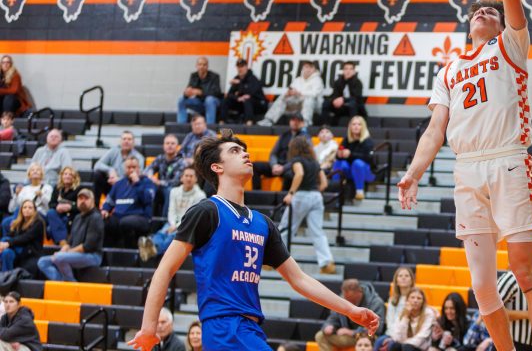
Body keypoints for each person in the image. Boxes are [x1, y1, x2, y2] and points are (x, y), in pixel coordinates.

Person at [397, 0, 532, 351]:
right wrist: (414, 171)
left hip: (507, 160)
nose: (485, 10)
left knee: (525, 272)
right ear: (468, 25)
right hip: (465, 169)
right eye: (478, 10)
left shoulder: (511, 45)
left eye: (492, 10)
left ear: (503, 23)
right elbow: (434, 130)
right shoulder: (449, 69)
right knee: (482, 286)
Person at [127, 130, 379, 351]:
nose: (245, 154)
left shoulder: (262, 223)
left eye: (244, 150)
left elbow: (299, 279)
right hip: (224, 326)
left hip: (251, 327)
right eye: (235, 151)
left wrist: (350, 310)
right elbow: (165, 269)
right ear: (217, 167)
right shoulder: (206, 211)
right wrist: (149, 328)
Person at [279, 137, 335, 274]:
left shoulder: (297, 160)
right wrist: (314, 192)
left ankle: (272, 260)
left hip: (300, 196)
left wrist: (291, 193)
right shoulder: (315, 162)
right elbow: (324, 183)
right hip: (316, 196)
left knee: (285, 228)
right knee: (318, 232)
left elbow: (299, 174)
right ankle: (327, 264)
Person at [139, 167, 206, 261]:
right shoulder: (174, 191)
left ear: (196, 179)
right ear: (181, 178)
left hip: (189, 225)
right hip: (173, 222)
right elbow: (171, 211)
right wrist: (173, 224)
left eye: (191, 176)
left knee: (171, 236)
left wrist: (176, 226)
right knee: (162, 232)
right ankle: (152, 246)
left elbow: (192, 216)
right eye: (186, 176)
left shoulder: (200, 195)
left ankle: (152, 248)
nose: (188, 178)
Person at [37, 188, 103, 282]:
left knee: (60, 258)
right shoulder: (77, 218)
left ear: (92, 201)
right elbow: (70, 242)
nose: (83, 201)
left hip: (92, 256)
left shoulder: (96, 217)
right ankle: (62, 283)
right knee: (42, 262)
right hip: (75, 254)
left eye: (86, 198)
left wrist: (66, 253)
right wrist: (64, 249)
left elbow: (88, 246)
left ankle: (71, 283)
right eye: (80, 199)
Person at [315, 279, 386, 351]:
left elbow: (377, 329)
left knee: (364, 343)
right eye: (346, 298)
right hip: (348, 336)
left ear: (359, 292)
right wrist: (329, 325)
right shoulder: (343, 298)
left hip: (367, 336)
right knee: (321, 335)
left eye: (351, 299)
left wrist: (352, 332)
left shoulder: (376, 303)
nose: (348, 301)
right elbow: (333, 317)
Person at [100, 156, 154, 248]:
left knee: (125, 222)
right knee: (102, 221)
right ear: (124, 169)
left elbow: (148, 200)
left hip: (141, 217)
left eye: (134, 167)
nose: (131, 170)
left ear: (139, 168)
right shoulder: (119, 183)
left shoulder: (147, 182)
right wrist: (105, 209)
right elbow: (109, 200)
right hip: (118, 217)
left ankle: (129, 257)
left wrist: (137, 183)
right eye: (129, 167)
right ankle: (106, 257)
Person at [252, 113, 309, 190]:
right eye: (293, 120)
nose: (295, 122)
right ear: (290, 122)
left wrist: (284, 168)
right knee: (255, 166)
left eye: (298, 120)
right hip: (277, 165)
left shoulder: (305, 138)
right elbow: (273, 153)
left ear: (302, 123)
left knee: (289, 175)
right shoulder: (284, 135)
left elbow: (300, 158)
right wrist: (274, 165)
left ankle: (283, 199)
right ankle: (257, 194)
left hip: (290, 167)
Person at [258, 60, 324, 126]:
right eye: (306, 67)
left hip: (314, 106)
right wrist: (288, 94)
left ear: (314, 69)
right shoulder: (298, 80)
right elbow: (291, 90)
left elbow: (315, 94)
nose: (308, 69)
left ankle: (306, 122)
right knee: (282, 97)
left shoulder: (317, 80)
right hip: (297, 105)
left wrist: (299, 93)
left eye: (310, 67)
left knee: (309, 99)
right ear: (303, 69)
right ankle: (269, 120)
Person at [92, 130, 145, 204]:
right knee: (98, 174)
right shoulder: (114, 151)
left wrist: (119, 181)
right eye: (124, 139)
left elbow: (138, 177)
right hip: (112, 186)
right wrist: (110, 170)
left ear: (133, 143)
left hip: (128, 188)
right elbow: (97, 165)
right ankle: (95, 207)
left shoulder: (139, 157)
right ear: (120, 141)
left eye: (129, 139)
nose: (126, 141)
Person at [332, 116, 374, 201]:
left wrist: (350, 154)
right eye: (354, 124)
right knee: (339, 163)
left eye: (359, 124)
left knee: (357, 163)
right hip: (350, 171)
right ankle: (335, 190)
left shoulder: (368, 141)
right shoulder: (346, 139)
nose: (356, 126)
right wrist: (339, 155)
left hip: (365, 171)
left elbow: (367, 158)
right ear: (350, 126)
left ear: (363, 127)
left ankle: (359, 191)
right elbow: (339, 155)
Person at [144, 134, 186, 217]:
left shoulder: (181, 162)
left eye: (172, 143)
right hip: (159, 187)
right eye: (167, 143)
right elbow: (148, 169)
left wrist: (159, 182)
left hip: (174, 189)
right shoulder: (160, 158)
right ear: (163, 146)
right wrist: (150, 175)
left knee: (169, 191)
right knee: (148, 189)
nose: (169, 145)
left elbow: (175, 182)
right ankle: (148, 219)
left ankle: (165, 220)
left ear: (177, 146)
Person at [0, 200, 44, 273]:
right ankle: (5, 278)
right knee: (7, 252)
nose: (27, 209)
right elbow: (10, 235)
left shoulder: (38, 222)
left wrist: (7, 243)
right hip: (19, 250)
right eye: (25, 207)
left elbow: (26, 237)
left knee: (6, 240)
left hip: (30, 252)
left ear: (34, 211)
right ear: (21, 210)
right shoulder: (18, 222)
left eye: (30, 208)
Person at [221, 59, 268, 125]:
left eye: (242, 66)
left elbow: (251, 92)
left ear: (246, 67)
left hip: (259, 104)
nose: (240, 69)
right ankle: (222, 122)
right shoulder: (236, 78)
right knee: (225, 100)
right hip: (243, 104)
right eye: (238, 67)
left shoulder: (253, 78)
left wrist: (240, 84)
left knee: (247, 100)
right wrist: (237, 98)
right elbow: (229, 94)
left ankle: (249, 123)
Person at [177, 56, 223, 125]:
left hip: (213, 103)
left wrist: (200, 92)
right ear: (196, 66)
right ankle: (181, 125)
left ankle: (210, 127)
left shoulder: (215, 76)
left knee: (209, 99)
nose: (202, 66)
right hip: (199, 102)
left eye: (204, 65)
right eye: (200, 64)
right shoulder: (194, 76)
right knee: (181, 99)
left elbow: (217, 93)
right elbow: (189, 89)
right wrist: (186, 93)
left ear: (207, 66)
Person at [378, 266, 414, 349]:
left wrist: (394, 338)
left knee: (391, 346)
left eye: (406, 275)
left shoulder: (414, 298)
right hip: (391, 333)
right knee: (379, 342)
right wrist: (391, 336)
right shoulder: (392, 299)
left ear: (411, 280)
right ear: (396, 281)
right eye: (400, 276)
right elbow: (390, 320)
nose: (403, 278)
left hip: (407, 335)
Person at [45, 166, 80, 246]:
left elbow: (82, 206)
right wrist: (57, 207)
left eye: (70, 174)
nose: (67, 176)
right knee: (50, 212)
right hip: (58, 216)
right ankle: (63, 242)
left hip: (71, 217)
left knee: (50, 230)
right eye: (65, 174)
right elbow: (51, 204)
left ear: (74, 177)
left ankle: (61, 241)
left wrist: (70, 207)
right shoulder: (57, 188)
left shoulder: (79, 189)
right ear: (61, 176)